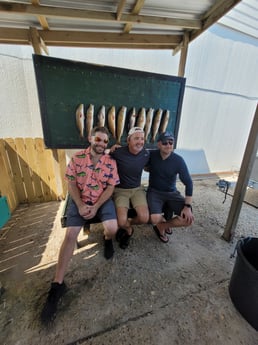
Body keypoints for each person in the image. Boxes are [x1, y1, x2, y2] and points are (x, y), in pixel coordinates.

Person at [41, 126, 119, 324]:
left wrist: (97, 206)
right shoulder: (76, 158)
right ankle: (57, 285)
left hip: (102, 200)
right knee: (70, 236)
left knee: (112, 228)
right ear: (90, 139)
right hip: (80, 200)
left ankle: (107, 240)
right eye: (98, 139)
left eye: (104, 142)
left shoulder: (110, 162)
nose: (101, 144)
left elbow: (110, 187)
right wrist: (81, 204)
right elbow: (71, 184)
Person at [146, 131, 194, 243]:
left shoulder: (178, 160)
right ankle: (162, 223)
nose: (168, 145)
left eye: (171, 142)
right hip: (154, 192)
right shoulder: (151, 154)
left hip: (172, 193)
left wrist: (187, 206)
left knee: (188, 220)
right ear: (158, 144)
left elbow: (189, 183)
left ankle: (162, 226)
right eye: (164, 142)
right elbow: (136, 153)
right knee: (154, 218)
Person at [110, 127, 150, 249]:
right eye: (136, 138)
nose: (140, 141)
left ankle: (127, 225)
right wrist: (110, 150)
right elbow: (103, 162)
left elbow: (151, 166)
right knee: (122, 221)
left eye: (142, 139)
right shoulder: (117, 152)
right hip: (120, 190)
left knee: (144, 218)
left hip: (137, 189)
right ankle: (128, 230)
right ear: (128, 140)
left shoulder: (146, 153)